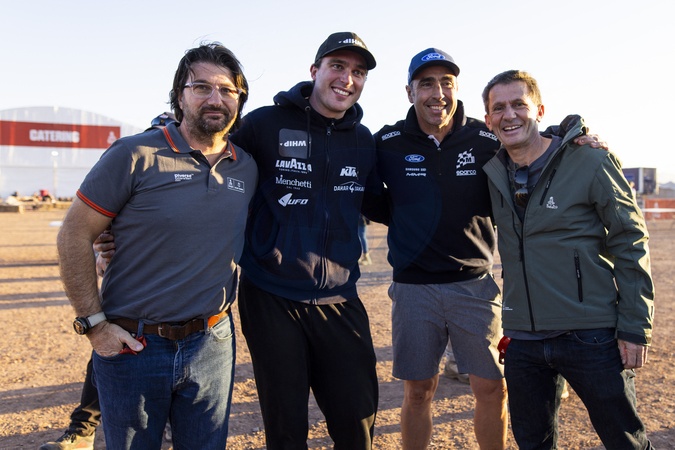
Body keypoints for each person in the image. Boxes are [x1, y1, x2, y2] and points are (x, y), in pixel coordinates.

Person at [369, 48, 604, 450]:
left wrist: (576, 138)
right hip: (413, 288)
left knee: (493, 389)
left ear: (457, 89)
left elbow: (532, 143)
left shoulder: (484, 138)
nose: (437, 93)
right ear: (410, 92)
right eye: (427, 83)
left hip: (475, 287)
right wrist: (408, 219)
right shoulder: (387, 142)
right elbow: (369, 197)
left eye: (446, 83)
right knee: (419, 391)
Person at [56, 43, 257, 450]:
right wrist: (94, 326)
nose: (215, 99)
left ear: (239, 99)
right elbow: (73, 234)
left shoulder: (247, 167)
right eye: (201, 87)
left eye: (227, 90)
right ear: (179, 96)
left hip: (213, 343)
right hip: (135, 346)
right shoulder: (135, 154)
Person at [482, 70, 654, 449]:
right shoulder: (492, 171)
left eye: (519, 104)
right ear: (488, 119)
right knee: (533, 444)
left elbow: (630, 240)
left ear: (539, 110)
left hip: (591, 334)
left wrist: (634, 327)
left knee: (625, 441)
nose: (509, 115)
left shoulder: (589, 160)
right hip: (523, 340)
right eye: (499, 108)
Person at [231, 32, 381, 449]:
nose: (347, 79)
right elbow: (211, 176)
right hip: (271, 294)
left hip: (340, 297)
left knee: (357, 420)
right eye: (338, 66)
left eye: (358, 72)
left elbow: (388, 204)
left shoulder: (364, 140)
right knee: (286, 427)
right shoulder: (262, 124)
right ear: (315, 70)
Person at [40, 113, 176, 450]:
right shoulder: (131, 163)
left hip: (187, 303)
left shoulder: (200, 174)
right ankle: (82, 430)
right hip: (132, 298)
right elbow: (90, 228)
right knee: (110, 354)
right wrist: (103, 252)